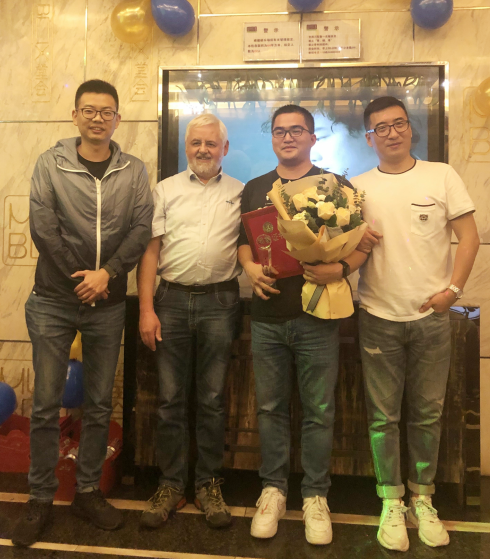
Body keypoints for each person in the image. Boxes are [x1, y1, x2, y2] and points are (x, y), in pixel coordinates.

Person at [11, 79, 153, 548]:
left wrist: (106, 274)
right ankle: (39, 497)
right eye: (88, 110)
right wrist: (82, 279)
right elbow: (43, 226)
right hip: (53, 299)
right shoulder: (50, 163)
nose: (97, 118)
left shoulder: (133, 170)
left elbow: (140, 228)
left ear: (117, 119)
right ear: (75, 116)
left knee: (98, 402)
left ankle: (88, 490)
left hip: (107, 303)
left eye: (106, 111)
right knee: (45, 402)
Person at [351, 96, 480, 552]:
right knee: (382, 418)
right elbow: (348, 252)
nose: (392, 133)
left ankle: (423, 499)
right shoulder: (357, 187)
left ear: (410, 128)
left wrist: (454, 292)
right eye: (381, 127)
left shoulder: (440, 175)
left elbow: (469, 237)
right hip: (377, 315)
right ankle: (391, 502)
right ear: (370, 137)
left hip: (431, 318)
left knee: (427, 414)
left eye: (399, 123)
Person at [238, 104, 366, 545]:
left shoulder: (336, 186)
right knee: (270, 409)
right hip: (267, 318)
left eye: (297, 130)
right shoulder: (256, 188)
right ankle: (273, 491)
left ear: (313, 138)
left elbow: (362, 242)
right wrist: (249, 269)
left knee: (319, 411)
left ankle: (315, 496)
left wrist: (341, 268)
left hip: (319, 315)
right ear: (272, 138)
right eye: (280, 131)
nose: (288, 137)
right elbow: (243, 243)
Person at [137, 114, 243, 530]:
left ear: (224, 149)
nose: (203, 149)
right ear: (186, 147)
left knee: (213, 399)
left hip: (221, 301)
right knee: (170, 400)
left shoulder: (240, 193)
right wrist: (146, 309)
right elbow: (150, 251)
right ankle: (170, 485)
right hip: (171, 301)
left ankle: (208, 485)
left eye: (211, 143)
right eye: (196, 142)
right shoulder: (165, 190)